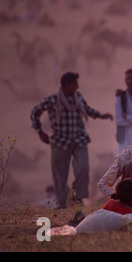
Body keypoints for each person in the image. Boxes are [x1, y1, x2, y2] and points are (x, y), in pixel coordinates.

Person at [30, 72, 113, 209]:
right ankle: (62, 203)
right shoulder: (52, 100)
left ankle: (78, 197)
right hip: (60, 141)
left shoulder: (78, 97)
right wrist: (40, 132)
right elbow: (35, 112)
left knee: (83, 167)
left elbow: (87, 109)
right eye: (75, 83)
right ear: (68, 85)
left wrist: (100, 115)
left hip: (79, 139)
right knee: (60, 175)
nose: (78, 86)